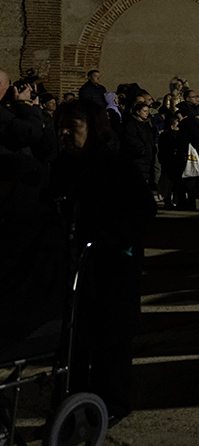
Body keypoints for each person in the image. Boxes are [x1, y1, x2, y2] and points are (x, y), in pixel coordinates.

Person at [49, 99, 155, 424]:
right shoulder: (61, 166)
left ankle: (112, 405)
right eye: (61, 127)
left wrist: (113, 236)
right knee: (72, 340)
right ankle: (69, 402)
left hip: (111, 267)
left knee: (111, 341)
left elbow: (143, 211)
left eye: (74, 127)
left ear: (92, 129)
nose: (65, 134)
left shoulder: (116, 166)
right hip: (73, 266)